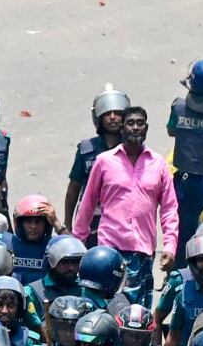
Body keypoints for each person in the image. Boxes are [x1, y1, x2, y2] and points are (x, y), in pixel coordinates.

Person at [76, 103, 180, 306]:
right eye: (130, 123)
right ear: (122, 128)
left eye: (140, 123)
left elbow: (169, 208)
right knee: (104, 307)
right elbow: (87, 203)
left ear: (146, 129)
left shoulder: (158, 164)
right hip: (109, 250)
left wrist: (170, 245)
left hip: (142, 253)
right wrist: (78, 242)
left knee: (138, 314)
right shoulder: (104, 161)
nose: (135, 127)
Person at [168, 60, 203, 259]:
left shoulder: (179, 108)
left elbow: (171, 130)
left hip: (186, 182)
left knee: (183, 232)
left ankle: (177, 276)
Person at [69, 89, 131, 230]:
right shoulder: (86, 150)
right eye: (107, 113)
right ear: (98, 118)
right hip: (91, 219)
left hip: (122, 219)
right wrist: (67, 223)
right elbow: (74, 187)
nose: (113, 117)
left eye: (117, 113)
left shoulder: (133, 150)